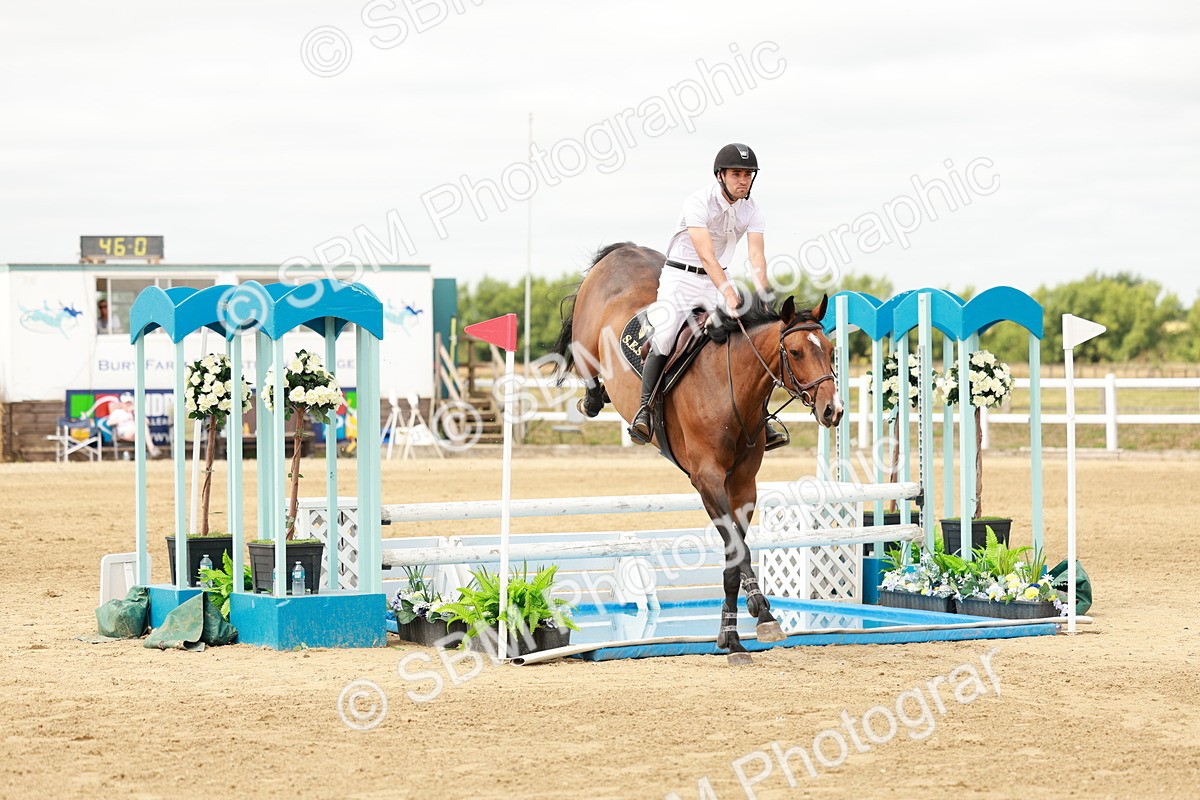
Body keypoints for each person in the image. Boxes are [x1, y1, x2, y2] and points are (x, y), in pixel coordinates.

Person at [629, 143, 789, 450]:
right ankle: (645, 409)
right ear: (721, 175)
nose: (744, 180)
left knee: (745, 337)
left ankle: (761, 417)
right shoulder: (698, 202)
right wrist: (727, 291)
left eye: (748, 174)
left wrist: (764, 294)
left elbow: (756, 256)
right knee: (664, 337)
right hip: (681, 277)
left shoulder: (753, 210)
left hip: (718, 277)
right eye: (737, 174)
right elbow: (706, 256)